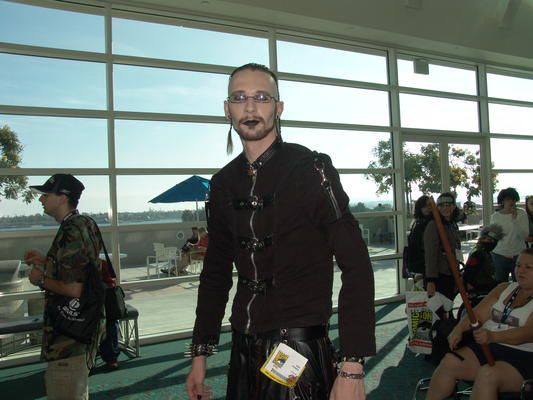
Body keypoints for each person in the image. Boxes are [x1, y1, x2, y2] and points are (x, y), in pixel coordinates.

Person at [185, 63, 375, 400]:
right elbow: (215, 272)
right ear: (227, 109)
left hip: (299, 351)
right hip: (243, 351)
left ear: (278, 107)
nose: (250, 107)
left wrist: (352, 365)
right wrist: (200, 354)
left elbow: (356, 265)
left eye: (261, 97)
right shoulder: (223, 183)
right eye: (239, 98)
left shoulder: (310, 169)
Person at [24, 174, 105, 400]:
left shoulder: (71, 231)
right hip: (83, 327)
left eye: (45, 195)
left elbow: (73, 290)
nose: (41, 199)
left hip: (69, 337)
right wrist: (48, 261)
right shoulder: (85, 223)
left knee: (65, 389)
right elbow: (84, 266)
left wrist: (40, 279)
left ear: (62, 198)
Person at [425, 248, 533, 400]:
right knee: (449, 361)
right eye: (518, 265)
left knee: (488, 374)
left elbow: (527, 333)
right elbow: (477, 315)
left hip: (522, 356)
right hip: (488, 346)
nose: (521, 271)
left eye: (528, 267)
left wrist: (493, 336)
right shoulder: (504, 288)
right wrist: (459, 328)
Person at [424, 192, 461, 312]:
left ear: (453, 206)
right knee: (438, 311)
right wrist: (431, 281)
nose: (445, 208)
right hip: (439, 276)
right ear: (437, 208)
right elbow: (430, 254)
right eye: (441, 205)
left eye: (448, 205)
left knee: (447, 307)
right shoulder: (434, 225)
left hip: (451, 273)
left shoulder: (451, 224)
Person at [490, 188, 529, 282]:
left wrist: (515, 220)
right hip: (499, 254)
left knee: (519, 283)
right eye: (508, 199)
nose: (511, 202)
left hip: (518, 254)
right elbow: (493, 236)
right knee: (500, 284)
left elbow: (524, 235)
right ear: (502, 201)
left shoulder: (521, 213)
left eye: (513, 199)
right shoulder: (495, 216)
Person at [462, 224, 504, 297]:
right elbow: (469, 271)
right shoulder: (478, 253)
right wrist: (469, 285)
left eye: (494, 241)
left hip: (484, 283)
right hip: (480, 286)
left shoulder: (485, 252)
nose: (492, 242)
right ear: (482, 239)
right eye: (489, 239)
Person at [405, 195, 432, 284]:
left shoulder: (416, 221)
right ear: (420, 207)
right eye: (424, 206)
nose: (427, 208)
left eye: (429, 206)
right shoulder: (422, 224)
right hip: (421, 262)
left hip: (418, 262)